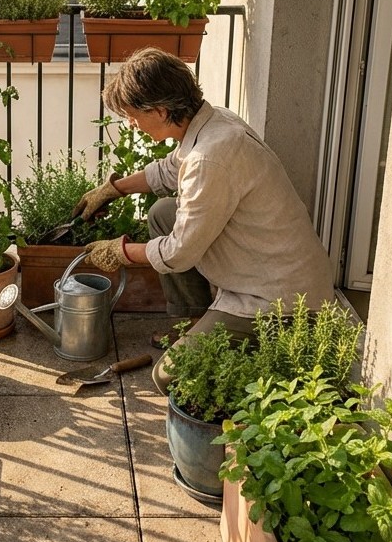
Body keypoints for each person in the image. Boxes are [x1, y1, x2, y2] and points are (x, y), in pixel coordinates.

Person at [74, 47, 335, 394]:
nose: (130, 123)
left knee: (170, 376)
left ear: (161, 109)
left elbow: (178, 253)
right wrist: (112, 189)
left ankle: (271, 376)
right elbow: (170, 169)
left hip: (277, 300)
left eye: (133, 114)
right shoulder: (213, 123)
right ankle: (193, 320)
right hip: (266, 266)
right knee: (164, 212)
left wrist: (120, 251)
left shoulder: (210, 158)